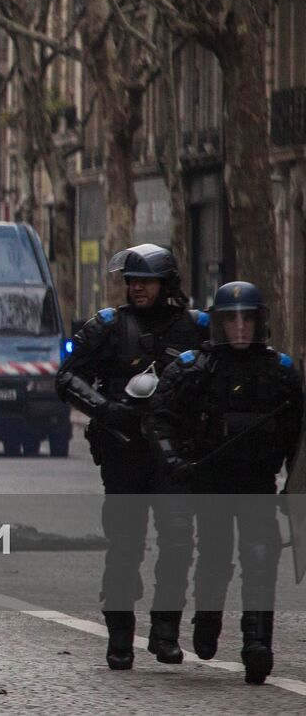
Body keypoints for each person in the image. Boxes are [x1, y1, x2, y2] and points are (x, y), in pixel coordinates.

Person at [56, 244, 207, 669]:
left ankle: (165, 631)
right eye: (133, 281)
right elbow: (67, 377)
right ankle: (120, 636)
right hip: (125, 451)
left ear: (167, 283)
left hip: (174, 453)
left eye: (146, 281)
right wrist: (106, 409)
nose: (138, 288)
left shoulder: (195, 328)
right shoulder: (107, 326)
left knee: (178, 543)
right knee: (125, 545)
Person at [144, 281, 304, 684]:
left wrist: (293, 487)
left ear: (258, 322)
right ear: (218, 323)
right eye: (231, 320)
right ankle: (208, 618)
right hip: (211, 478)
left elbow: (297, 434)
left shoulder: (279, 372)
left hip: (256, 481)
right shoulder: (194, 367)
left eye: (246, 320)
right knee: (215, 555)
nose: (239, 329)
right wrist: (174, 459)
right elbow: (159, 417)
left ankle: (257, 643)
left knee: (260, 558)